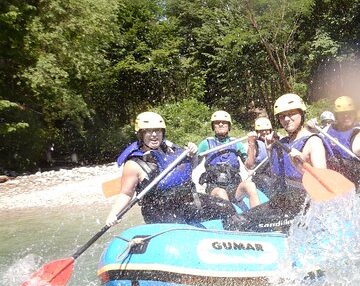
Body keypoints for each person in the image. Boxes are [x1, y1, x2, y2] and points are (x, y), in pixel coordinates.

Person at [105, 111, 237, 226]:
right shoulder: (133, 164)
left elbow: (189, 168)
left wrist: (192, 155)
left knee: (226, 207)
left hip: (187, 201)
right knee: (179, 227)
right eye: (149, 131)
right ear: (140, 134)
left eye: (158, 130)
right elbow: (126, 193)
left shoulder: (171, 151)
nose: (154, 135)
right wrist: (114, 214)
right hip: (159, 210)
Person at [227, 93, 331, 232]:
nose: (286, 119)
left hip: (301, 210)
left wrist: (300, 167)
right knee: (234, 222)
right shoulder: (282, 143)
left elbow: (322, 183)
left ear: (301, 114)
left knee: (241, 225)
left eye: (291, 114)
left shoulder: (313, 141)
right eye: (282, 116)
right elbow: (276, 173)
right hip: (278, 205)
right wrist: (270, 150)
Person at [197, 110, 261, 208]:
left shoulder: (236, 143)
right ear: (213, 126)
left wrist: (251, 143)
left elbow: (250, 165)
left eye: (224, 122)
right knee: (222, 192)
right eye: (217, 122)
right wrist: (191, 153)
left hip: (234, 187)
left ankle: (259, 216)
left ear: (229, 126)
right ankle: (231, 218)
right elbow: (193, 163)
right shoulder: (206, 143)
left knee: (250, 185)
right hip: (214, 188)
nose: (221, 124)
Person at [322, 95, 360, 184]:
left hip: (354, 181)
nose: (346, 116)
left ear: (354, 113)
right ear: (336, 115)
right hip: (331, 179)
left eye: (349, 112)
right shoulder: (327, 130)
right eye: (342, 113)